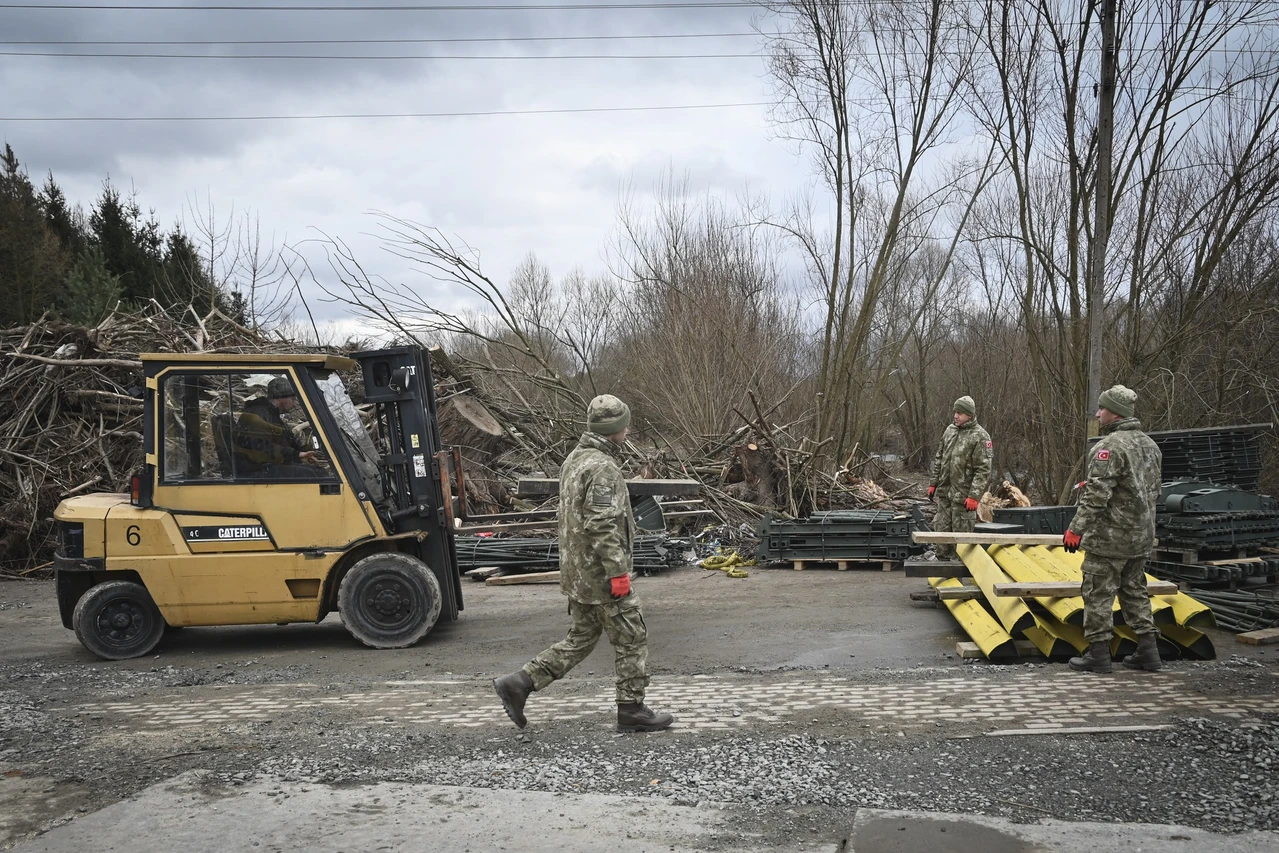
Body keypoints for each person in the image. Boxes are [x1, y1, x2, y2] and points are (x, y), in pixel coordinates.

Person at [493, 394, 674, 734]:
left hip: (578, 574)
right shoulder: (603, 467)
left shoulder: (575, 459)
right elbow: (601, 523)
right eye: (624, 424)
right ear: (613, 430)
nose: (628, 429)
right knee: (632, 639)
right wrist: (618, 573)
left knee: (581, 638)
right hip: (601, 575)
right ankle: (632, 709)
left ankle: (519, 683)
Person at [1062, 384, 1164, 674]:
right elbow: (1151, 491)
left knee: (1097, 593)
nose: (1097, 413)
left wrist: (1076, 529)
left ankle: (1098, 654)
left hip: (1109, 538)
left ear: (1115, 413)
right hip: (1140, 536)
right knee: (1135, 590)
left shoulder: (1108, 447)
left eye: (1102, 409)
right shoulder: (1150, 446)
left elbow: (1097, 495)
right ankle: (1148, 650)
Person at [927, 396, 993, 560]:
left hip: (963, 499)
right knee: (941, 535)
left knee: (961, 541)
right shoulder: (950, 431)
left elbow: (983, 469)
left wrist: (974, 495)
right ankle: (941, 573)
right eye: (955, 412)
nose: (956, 416)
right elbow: (940, 458)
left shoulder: (980, 436)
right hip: (945, 495)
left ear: (969, 415)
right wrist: (933, 483)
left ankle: (959, 577)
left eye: (960, 413)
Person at [233, 376, 319, 479]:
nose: (295, 404)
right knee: (310, 474)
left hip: (264, 467)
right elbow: (261, 448)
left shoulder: (272, 415)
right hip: (255, 471)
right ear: (280, 397)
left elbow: (284, 443)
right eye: (292, 399)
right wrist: (296, 454)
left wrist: (302, 453)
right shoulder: (257, 414)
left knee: (317, 470)